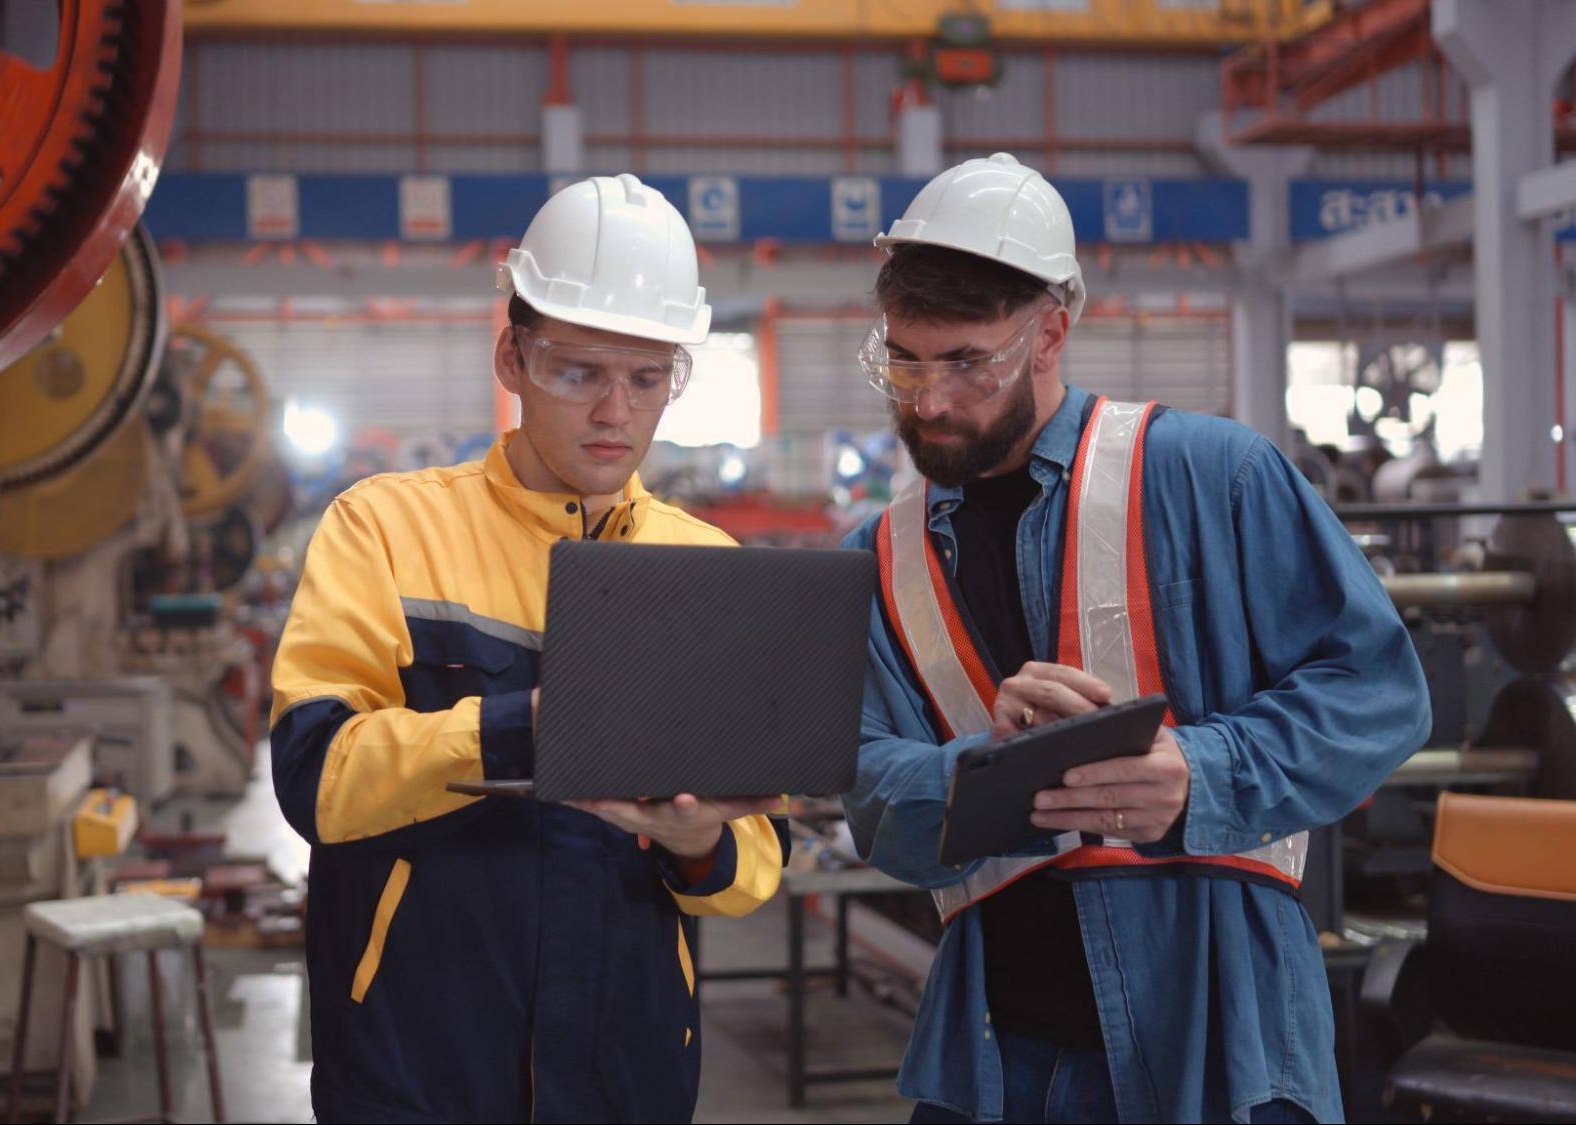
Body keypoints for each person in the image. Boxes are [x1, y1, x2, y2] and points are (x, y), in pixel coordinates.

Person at [840, 153, 1430, 1124]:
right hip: (992, 1061)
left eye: (965, 363)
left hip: (1222, 1037)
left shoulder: (1215, 476)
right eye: (904, 360)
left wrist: (1199, 772)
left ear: (1049, 333)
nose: (928, 401)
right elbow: (869, 795)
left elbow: (1377, 693)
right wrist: (985, 771)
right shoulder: (877, 558)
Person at [269, 173, 786, 1124]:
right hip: (418, 1066)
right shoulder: (385, 529)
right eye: (578, 372)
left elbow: (755, 859)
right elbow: (316, 778)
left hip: (626, 1072)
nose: (614, 412)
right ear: (512, 358)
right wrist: (522, 730)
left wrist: (699, 841)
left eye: (646, 379)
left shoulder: (705, 566)